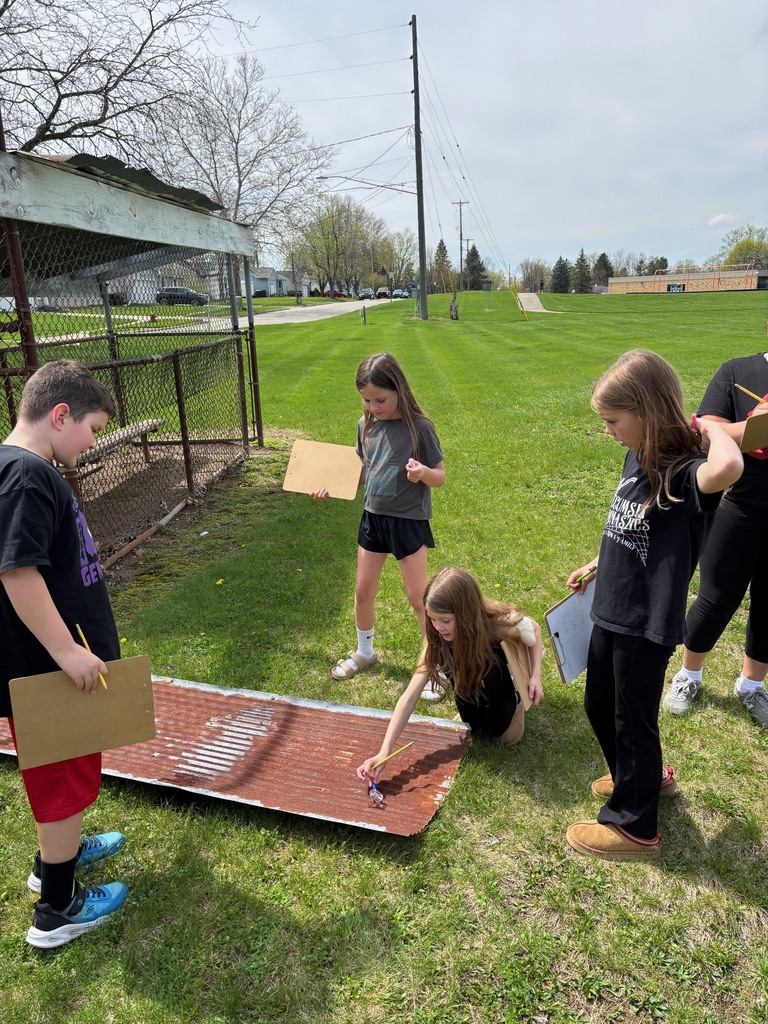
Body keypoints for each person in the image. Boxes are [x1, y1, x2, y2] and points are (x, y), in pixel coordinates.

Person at [564, 350, 743, 861]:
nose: (607, 431)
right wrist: (599, 563)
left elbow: (729, 464)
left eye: (613, 421)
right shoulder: (636, 454)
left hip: (646, 622)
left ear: (647, 411)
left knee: (630, 717)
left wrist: (705, 427)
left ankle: (634, 826)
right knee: (600, 704)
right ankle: (641, 776)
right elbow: (633, 522)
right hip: (613, 606)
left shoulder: (688, 473)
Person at [1, 360, 128, 948]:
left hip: (39, 662)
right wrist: (66, 651)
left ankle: (58, 855)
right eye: (94, 428)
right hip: (43, 667)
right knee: (64, 779)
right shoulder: (28, 477)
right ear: (60, 415)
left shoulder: (21, 469)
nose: (95, 441)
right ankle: (57, 908)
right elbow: (18, 570)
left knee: (61, 775)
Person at [312, 353, 446, 697]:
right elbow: (363, 472)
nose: (373, 406)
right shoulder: (365, 424)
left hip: (408, 522)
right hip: (373, 518)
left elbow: (440, 476)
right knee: (362, 591)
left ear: (398, 389)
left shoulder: (421, 427)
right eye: (366, 400)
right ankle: (365, 652)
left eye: (380, 400)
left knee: (419, 599)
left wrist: (422, 474)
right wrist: (333, 486)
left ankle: (436, 666)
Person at [356, 567, 544, 783]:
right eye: (432, 619)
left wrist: (535, 676)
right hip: (466, 686)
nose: (438, 627)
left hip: (496, 683)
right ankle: (474, 704)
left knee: (504, 735)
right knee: (472, 727)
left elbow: (534, 630)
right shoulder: (436, 640)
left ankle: (515, 702)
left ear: (466, 614)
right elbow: (409, 697)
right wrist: (383, 753)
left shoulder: (494, 625)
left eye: (445, 620)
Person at [662, 352, 768, 723]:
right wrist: (757, 428)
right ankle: (688, 675)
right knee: (716, 598)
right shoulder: (738, 372)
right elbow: (704, 431)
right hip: (739, 505)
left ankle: (751, 685)